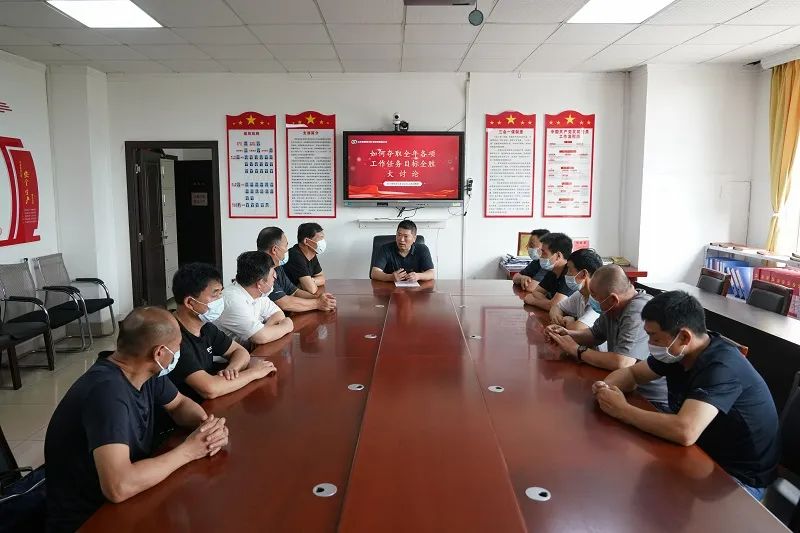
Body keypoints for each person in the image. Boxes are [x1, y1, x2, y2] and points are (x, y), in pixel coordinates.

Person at [45, 307, 231, 532]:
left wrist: (206, 427)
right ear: (159, 353)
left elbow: (179, 404)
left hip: (130, 498)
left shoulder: (143, 370)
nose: (179, 352)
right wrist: (189, 451)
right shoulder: (107, 393)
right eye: (177, 346)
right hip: (89, 518)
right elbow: (118, 486)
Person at [592, 291, 780, 500]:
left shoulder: (721, 366)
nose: (650, 343)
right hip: (700, 455)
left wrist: (622, 410)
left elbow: (685, 430)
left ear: (684, 337)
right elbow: (632, 374)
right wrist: (606, 387)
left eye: (654, 336)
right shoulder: (676, 352)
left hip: (737, 479)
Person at [546, 264, 668, 410]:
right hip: (622, 386)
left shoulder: (639, 311)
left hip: (649, 399)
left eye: (594, 296)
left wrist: (577, 350)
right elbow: (594, 335)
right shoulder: (612, 307)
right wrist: (566, 334)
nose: (591, 299)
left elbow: (622, 362)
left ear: (613, 299)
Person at [169, 262, 277, 403]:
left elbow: (240, 351)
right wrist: (254, 373)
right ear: (190, 302)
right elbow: (210, 389)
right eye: (215, 295)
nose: (221, 300)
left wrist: (232, 369)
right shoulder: (172, 338)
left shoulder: (205, 327)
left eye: (221, 293)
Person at [215, 251, 294, 350]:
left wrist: (264, 331)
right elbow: (261, 337)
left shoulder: (258, 293)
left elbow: (278, 314)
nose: (275, 278)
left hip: (250, 352)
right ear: (260, 283)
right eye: (272, 275)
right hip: (230, 358)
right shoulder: (233, 300)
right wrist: (287, 325)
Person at [256, 226, 336, 312]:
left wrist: (318, 298)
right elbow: (284, 303)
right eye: (286, 246)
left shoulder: (277, 266)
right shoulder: (261, 270)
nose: (287, 250)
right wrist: (317, 303)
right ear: (275, 250)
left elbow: (294, 292)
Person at [549, 248, 604, 331]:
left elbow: (578, 329)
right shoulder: (580, 294)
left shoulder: (598, 300)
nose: (566, 274)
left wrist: (570, 321)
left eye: (569, 270)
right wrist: (559, 319)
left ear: (583, 274)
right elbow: (555, 307)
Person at [523, 232, 576, 310]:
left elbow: (555, 306)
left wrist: (533, 301)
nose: (540, 256)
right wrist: (550, 303)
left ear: (558, 256)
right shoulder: (553, 271)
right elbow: (536, 292)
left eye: (543, 253)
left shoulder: (570, 274)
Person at [370, 220, 435, 282]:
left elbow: (431, 273)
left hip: (415, 288)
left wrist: (418, 276)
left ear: (414, 238)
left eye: (406, 236)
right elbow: (374, 273)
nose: (401, 239)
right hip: (390, 287)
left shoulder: (422, 249)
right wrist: (390, 277)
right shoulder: (385, 249)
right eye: (399, 235)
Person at [284, 222, 327, 294]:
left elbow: (322, 278)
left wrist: (311, 281)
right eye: (320, 238)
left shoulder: (312, 254)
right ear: (306, 241)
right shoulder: (295, 255)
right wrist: (310, 284)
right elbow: (312, 289)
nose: (323, 241)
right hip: (288, 297)